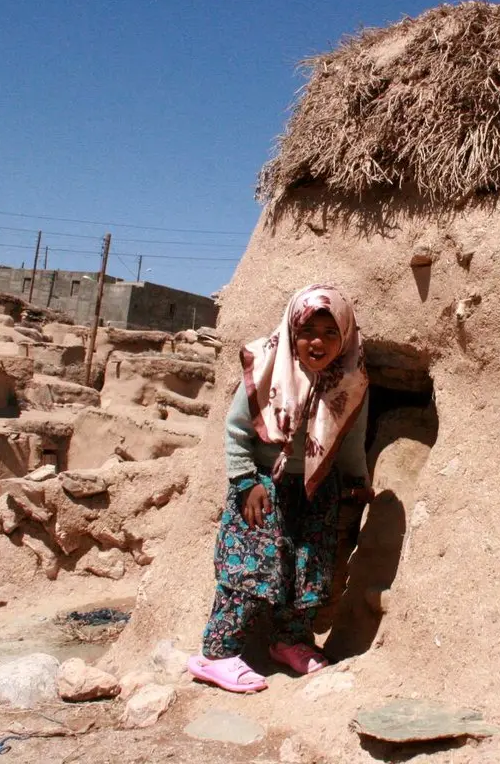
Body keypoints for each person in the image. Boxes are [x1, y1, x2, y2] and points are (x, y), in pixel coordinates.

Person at [188, 284, 372, 693]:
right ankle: (215, 655)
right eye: (308, 330)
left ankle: (290, 642)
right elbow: (237, 428)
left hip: (315, 487)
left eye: (329, 331)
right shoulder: (269, 366)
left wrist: (357, 482)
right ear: (292, 330)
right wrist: (244, 481)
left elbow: (349, 439)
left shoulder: (351, 380)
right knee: (249, 570)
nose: (318, 341)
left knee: (309, 570)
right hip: (262, 486)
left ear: (345, 334)